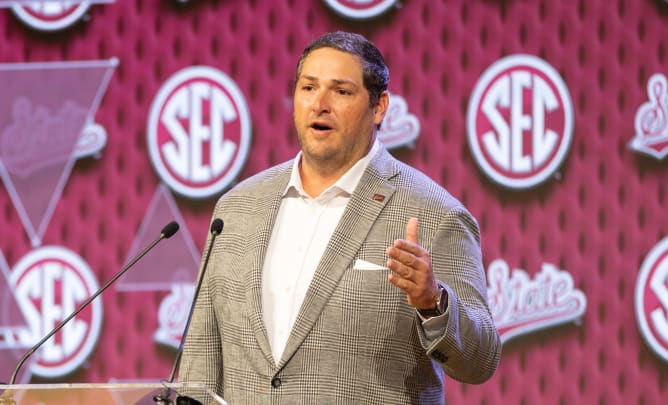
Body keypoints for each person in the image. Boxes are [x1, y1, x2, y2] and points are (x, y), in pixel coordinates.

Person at [178, 31, 501, 404]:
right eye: (308, 88)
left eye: (341, 91)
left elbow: (481, 360)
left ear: (379, 107)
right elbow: (200, 359)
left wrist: (432, 302)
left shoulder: (434, 215)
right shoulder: (238, 207)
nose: (320, 104)